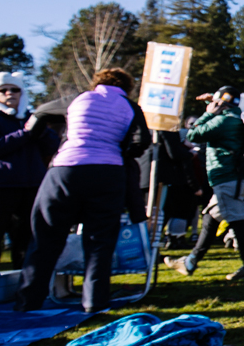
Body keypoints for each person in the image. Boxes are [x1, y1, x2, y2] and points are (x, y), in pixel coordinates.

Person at [16, 68, 149, 312]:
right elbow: (142, 141)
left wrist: (33, 134)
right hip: (108, 172)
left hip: (65, 169)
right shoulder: (130, 107)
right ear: (127, 87)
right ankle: (94, 302)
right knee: (100, 240)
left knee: (45, 235)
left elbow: (42, 111)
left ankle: (28, 300)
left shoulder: (79, 98)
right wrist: (121, 151)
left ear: (97, 81)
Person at [164, 86, 244, 281]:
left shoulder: (222, 120)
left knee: (238, 221)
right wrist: (213, 104)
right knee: (210, 218)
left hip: (227, 178)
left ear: (220, 103)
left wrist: (207, 113)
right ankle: (191, 261)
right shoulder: (236, 117)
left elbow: (193, 135)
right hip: (241, 179)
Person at [0, 72, 60, 274]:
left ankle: (25, 288)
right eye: (2, 90)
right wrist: (26, 133)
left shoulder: (31, 119)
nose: (9, 93)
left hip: (29, 186)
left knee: (27, 241)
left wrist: (40, 129)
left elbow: (52, 146)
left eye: (15, 89)